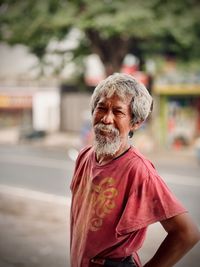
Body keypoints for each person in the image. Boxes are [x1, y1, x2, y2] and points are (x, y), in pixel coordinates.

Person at [70, 73, 200, 267]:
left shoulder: (139, 170)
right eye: (102, 108)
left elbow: (187, 234)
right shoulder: (84, 156)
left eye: (118, 112)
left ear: (135, 123)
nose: (106, 119)